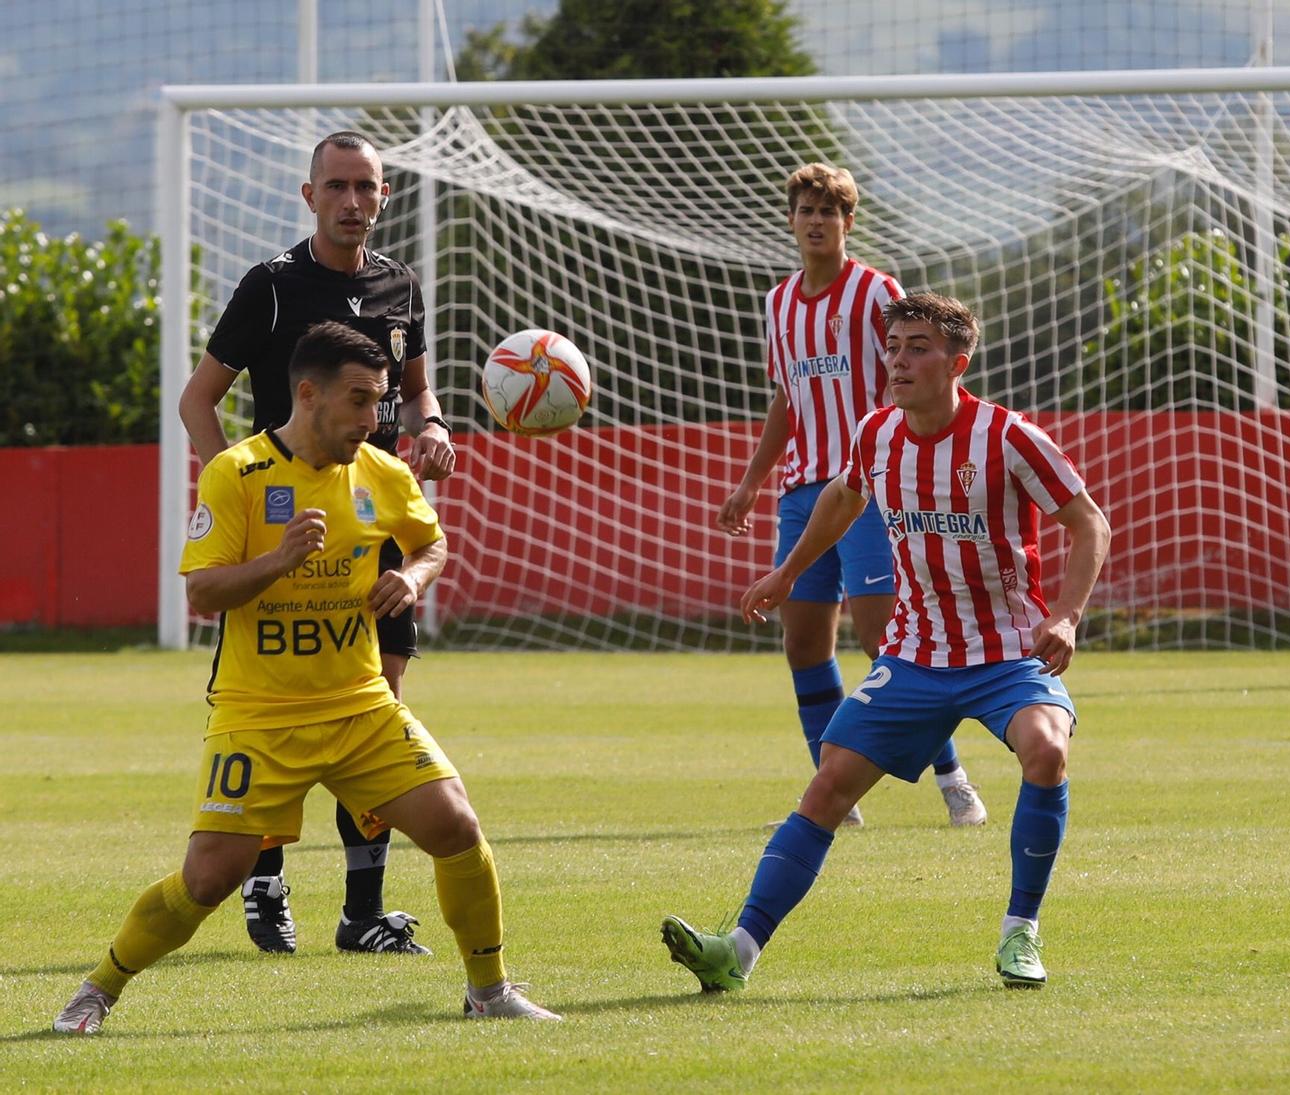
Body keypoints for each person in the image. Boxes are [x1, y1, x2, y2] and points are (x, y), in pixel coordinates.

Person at [54, 323, 557, 1034]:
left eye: (380, 402)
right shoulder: (238, 473)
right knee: (207, 880)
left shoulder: (382, 472)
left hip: (359, 706)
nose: (370, 420)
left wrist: (410, 579)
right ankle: (98, 988)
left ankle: (488, 988)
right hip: (258, 714)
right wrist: (277, 562)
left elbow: (432, 541)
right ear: (308, 392)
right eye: (358, 401)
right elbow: (203, 593)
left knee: (456, 826)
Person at [663, 293, 1111, 990]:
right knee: (829, 785)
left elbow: (1090, 523)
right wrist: (787, 571)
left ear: (956, 363)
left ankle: (1020, 931)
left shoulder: (1009, 436)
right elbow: (843, 497)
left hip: (1008, 653)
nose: (899, 360)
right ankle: (737, 952)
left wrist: (1068, 615)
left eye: (918, 348)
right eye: (894, 346)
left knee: (1047, 748)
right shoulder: (877, 434)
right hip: (914, 653)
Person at [177, 130, 454, 955]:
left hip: (372, 531)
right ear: (308, 197)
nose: (351, 201)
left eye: (366, 187)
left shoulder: (401, 284)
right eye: (336, 186)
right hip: (287, 542)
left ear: (384, 196)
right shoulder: (269, 286)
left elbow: (415, 390)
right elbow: (200, 399)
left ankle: (362, 909)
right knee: (278, 710)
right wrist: (234, 489)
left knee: (382, 709)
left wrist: (432, 425)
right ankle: (264, 889)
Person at [717, 162, 986, 829]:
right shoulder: (779, 303)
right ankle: (835, 798)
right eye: (805, 210)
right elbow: (785, 396)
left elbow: (911, 373)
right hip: (802, 489)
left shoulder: (874, 293)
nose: (815, 221)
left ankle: (953, 778)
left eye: (827, 212)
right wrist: (753, 479)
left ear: (847, 222)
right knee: (803, 643)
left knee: (880, 637)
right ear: (791, 220)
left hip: (867, 490)